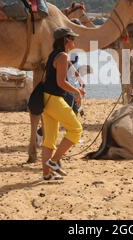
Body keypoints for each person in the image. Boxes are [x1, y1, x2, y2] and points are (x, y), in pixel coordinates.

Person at [40, 27, 85, 181]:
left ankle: (47, 174)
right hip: (54, 99)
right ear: (66, 39)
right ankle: (54, 161)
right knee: (76, 129)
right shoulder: (63, 56)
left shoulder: (53, 54)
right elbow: (61, 82)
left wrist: (74, 89)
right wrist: (77, 92)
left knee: (49, 140)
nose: (74, 41)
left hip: (46, 99)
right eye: (72, 38)